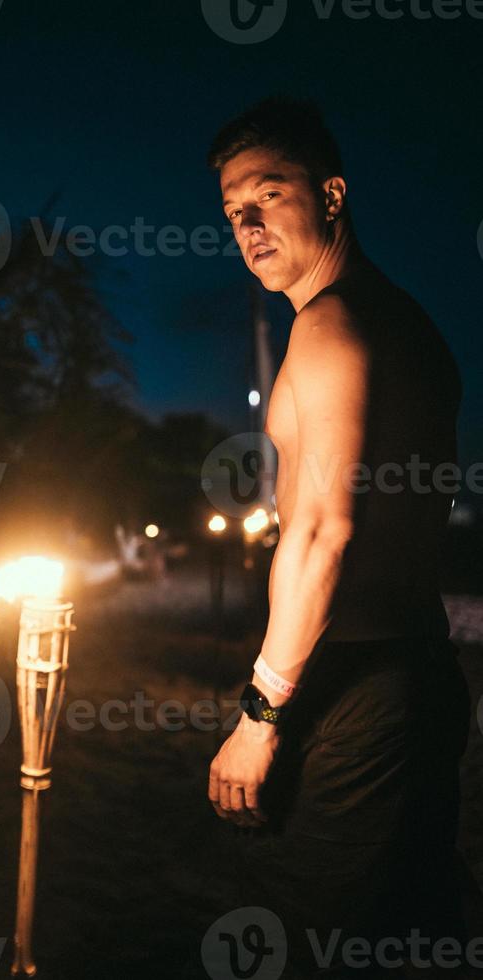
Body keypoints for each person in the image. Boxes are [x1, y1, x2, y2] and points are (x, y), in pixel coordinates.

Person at [206, 97, 473, 977]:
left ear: (330, 194)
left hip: (362, 686)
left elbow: (323, 531)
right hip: (416, 670)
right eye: (231, 211)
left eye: (267, 195)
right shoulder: (407, 323)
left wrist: (262, 711)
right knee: (406, 931)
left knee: (319, 939)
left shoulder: (331, 326)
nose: (246, 224)